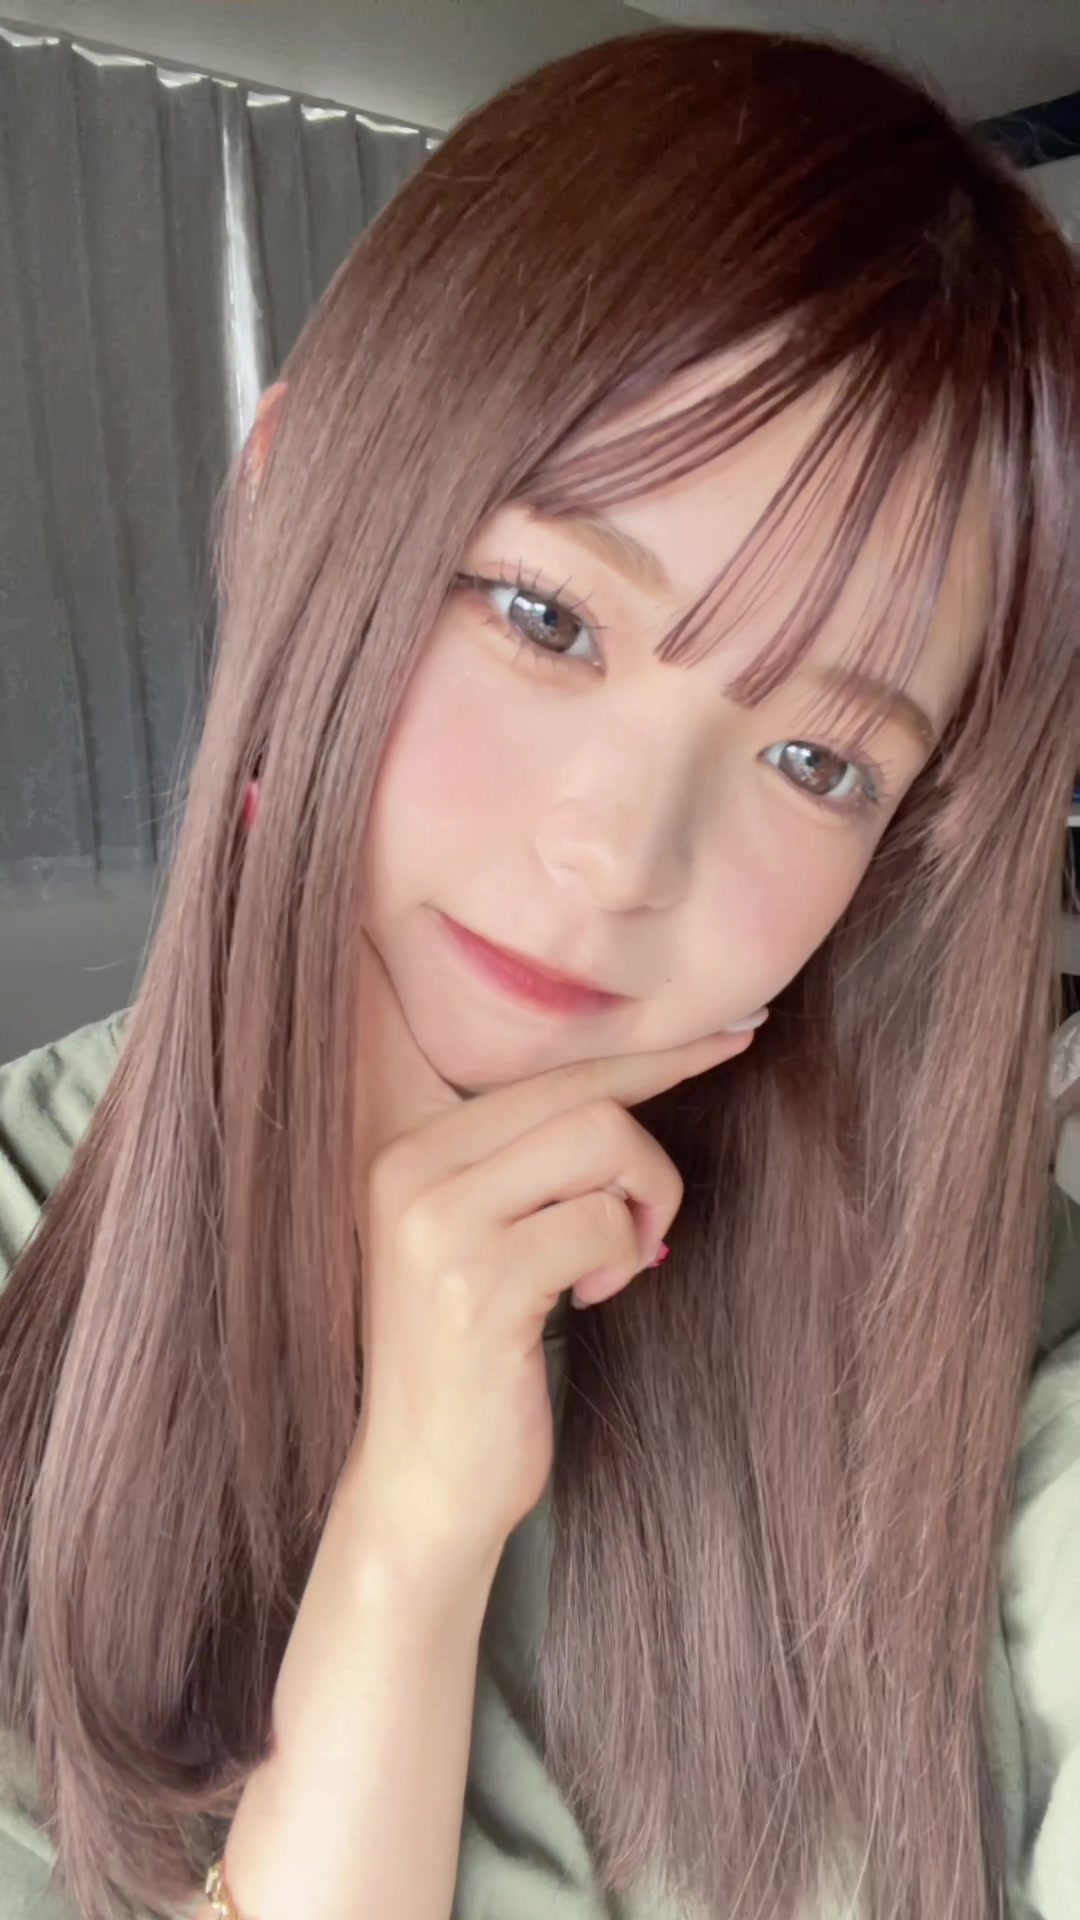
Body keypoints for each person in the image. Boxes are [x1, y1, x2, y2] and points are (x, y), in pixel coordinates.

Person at [0, 24, 1078, 1920]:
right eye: (544, 616)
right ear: (289, 503)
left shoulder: (986, 1329)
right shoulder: (28, 1236)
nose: (617, 859)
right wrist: (412, 1529)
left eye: (815, 757)